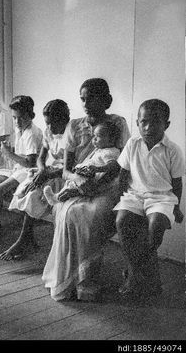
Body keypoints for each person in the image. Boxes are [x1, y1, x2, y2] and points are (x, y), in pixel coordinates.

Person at [42, 78, 130, 302]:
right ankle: (69, 278)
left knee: (89, 215)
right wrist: (78, 182)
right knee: (67, 211)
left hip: (109, 185)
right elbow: (65, 170)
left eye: (92, 98)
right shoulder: (74, 126)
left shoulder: (117, 124)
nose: (86, 103)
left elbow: (121, 163)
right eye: (82, 98)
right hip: (79, 183)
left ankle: (87, 280)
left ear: (107, 100)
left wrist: (95, 186)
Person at [114, 99, 184, 299]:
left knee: (155, 227)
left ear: (166, 124)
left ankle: (135, 270)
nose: (148, 127)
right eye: (143, 122)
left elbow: (177, 183)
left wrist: (177, 208)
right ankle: (137, 273)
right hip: (135, 195)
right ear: (137, 122)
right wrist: (119, 200)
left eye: (155, 122)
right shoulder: (132, 144)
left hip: (162, 198)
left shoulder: (172, 150)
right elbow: (123, 175)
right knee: (122, 220)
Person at [0, 99, 70, 261]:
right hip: (48, 170)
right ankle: (27, 238)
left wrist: (47, 173)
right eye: (48, 123)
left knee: (33, 194)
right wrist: (42, 169)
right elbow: (40, 158)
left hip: (61, 175)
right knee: (26, 188)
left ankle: (23, 239)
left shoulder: (70, 135)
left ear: (64, 120)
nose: (50, 127)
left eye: (54, 123)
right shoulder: (48, 132)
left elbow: (68, 166)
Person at [0, 95, 43, 247]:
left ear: (31, 115)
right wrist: (11, 151)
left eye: (21, 118)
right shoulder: (21, 129)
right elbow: (21, 154)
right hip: (17, 169)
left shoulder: (32, 133)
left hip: (29, 172)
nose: (17, 122)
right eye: (14, 118)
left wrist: (10, 154)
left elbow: (30, 162)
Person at [44, 120, 121, 204]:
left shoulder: (111, 152)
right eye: (93, 136)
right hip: (87, 176)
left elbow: (113, 165)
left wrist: (98, 169)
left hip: (93, 180)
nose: (94, 139)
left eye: (98, 136)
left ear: (111, 139)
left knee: (71, 189)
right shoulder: (101, 150)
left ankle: (56, 198)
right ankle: (56, 197)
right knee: (70, 186)